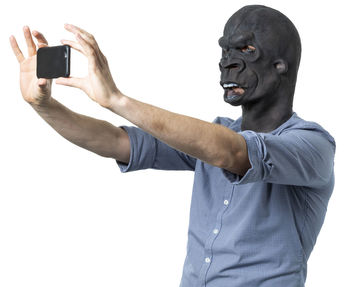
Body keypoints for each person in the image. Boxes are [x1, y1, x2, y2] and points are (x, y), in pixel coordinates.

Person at [10, 5, 335, 287]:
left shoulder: (312, 145)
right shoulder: (212, 134)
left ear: (281, 65)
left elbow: (234, 153)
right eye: (225, 52)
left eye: (246, 50)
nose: (227, 64)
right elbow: (115, 141)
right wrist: (44, 106)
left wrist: (116, 99)